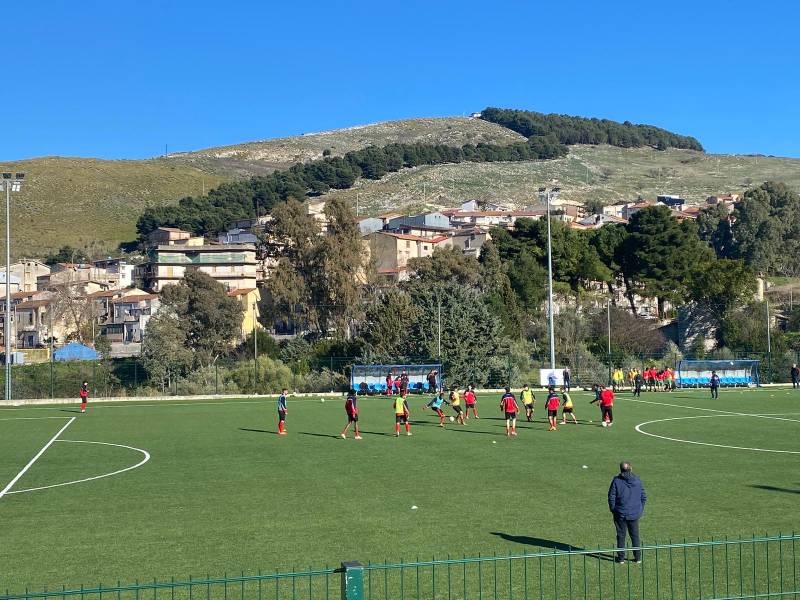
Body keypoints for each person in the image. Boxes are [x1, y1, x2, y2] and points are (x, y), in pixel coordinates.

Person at [608, 461, 647, 564]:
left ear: (621, 469)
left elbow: (611, 496)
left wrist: (613, 509)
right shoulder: (637, 480)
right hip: (634, 514)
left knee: (621, 536)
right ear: (631, 468)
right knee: (635, 536)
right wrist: (639, 510)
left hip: (620, 514)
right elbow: (643, 497)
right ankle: (638, 558)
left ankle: (621, 559)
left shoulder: (616, 481)